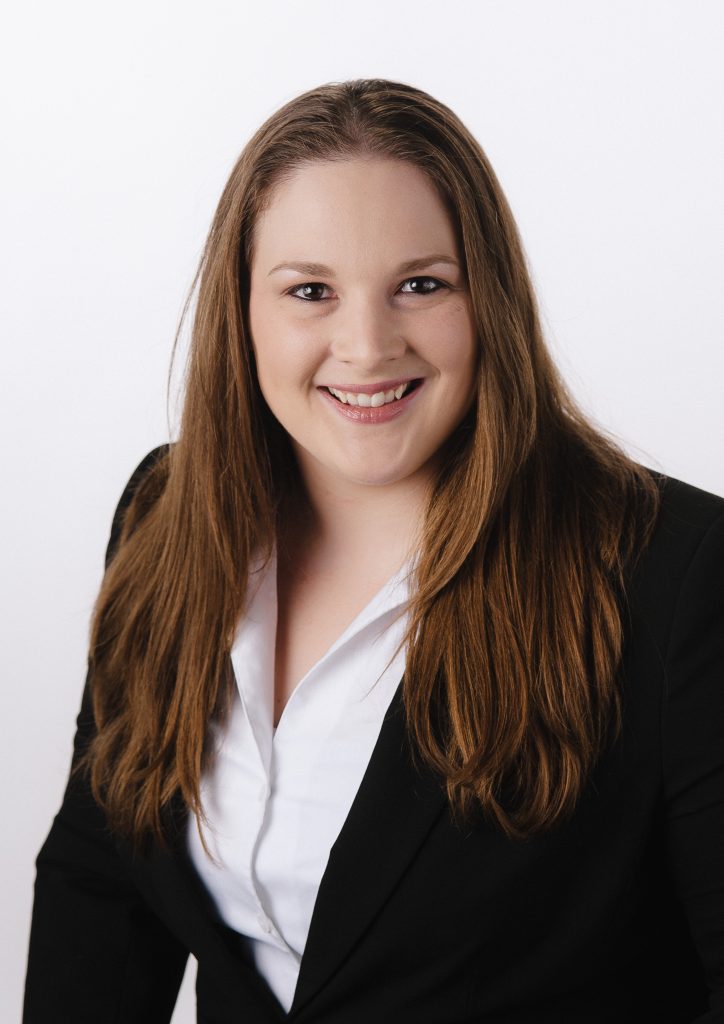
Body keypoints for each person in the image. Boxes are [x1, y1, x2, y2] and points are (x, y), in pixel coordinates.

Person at [23, 78, 724, 1024]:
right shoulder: (164, 512)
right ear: (244, 313)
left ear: (492, 303)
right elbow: (99, 881)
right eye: (310, 291)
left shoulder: (677, 574)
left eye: (422, 285)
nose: (365, 344)